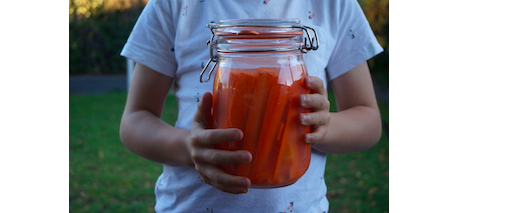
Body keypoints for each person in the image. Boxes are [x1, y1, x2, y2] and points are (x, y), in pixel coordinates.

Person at [120, 0, 383, 212]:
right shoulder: (173, 4)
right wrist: (187, 148)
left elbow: (369, 120)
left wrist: (324, 128)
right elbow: (135, 120)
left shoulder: (334, 4)